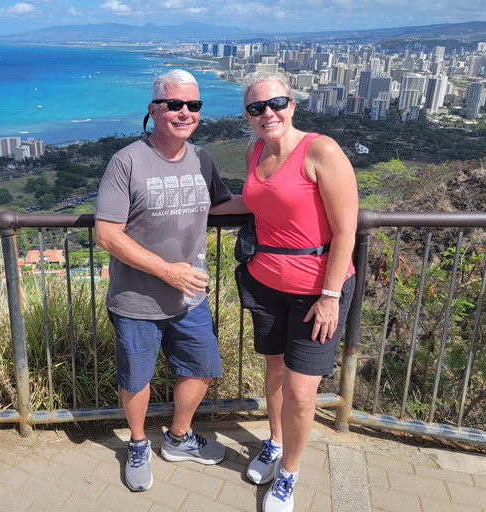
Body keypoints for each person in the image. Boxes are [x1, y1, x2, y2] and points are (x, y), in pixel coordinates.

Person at [95, 69, 236, 492]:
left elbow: (225, 206)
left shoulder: (202, 159)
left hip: (190, 297)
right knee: (137, 378)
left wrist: (289, 203)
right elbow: (107, 234)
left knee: (202, 368)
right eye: (174, 104)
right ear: (154, 109)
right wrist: (166, 270)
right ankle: (138, 444)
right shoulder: (127, 161)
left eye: (193, 105)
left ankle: (178, 438)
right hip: (137, 299)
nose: (184, 112)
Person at [229, 72, 358, 512]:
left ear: (293, 105)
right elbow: (252, 200)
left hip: (316, 291)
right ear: (247, 115)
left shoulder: (320, 150)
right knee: (275, 372)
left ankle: (289, 472)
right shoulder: (254, 151)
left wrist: (331, 295)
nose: (268, 113)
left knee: (302, 393)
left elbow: (346, 231)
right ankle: (276, 442)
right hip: (265, 282)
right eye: (256, 108)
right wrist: (186, 209)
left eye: (276, 103)